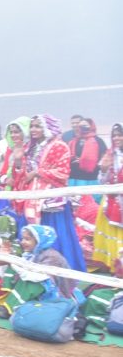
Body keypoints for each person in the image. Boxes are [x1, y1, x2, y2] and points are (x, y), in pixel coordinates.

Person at [11, 114, 85, 272]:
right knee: (29, 233)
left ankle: (58, 271)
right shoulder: (29, 147)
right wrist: (17, 160)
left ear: (48, 128)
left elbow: (63, 173)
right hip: (31, 198)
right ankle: (30, 268)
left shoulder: (59, 146)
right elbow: (22, 176)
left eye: (38, 126)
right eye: (32, 126)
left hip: (51, 200)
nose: (33, 129)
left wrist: (38, 173)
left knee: (56, 234)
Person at [0, 224, 76, 318]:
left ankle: (9, 309)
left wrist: (14, 264)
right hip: (39, 284)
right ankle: (7, 302)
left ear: (39, 240)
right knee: (13, 269)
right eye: (22, 238)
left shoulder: (52, 256)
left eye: (27, 239)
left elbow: (41, 277)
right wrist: (7, 258)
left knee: (33, 283)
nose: (23, 242)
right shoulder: (31, 254)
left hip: (57, 293)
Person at [94, 122, 123, 275]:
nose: (116, 138)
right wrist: (104, 169)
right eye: (114, 136)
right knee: (113, 237)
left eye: (120, 135)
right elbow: (102, 181)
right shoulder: (110, 154)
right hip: (111, 204)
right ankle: (115, 268)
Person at [67, 117, 107, 194]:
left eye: (85, 125)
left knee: (90, 199)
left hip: (90, 177)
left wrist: (83, 161)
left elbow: (104, 158)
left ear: (91, 126)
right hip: (74, 176)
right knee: (74, 199)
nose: (82, 127)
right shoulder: (73, 141)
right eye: (80, 125)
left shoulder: (98, 140)